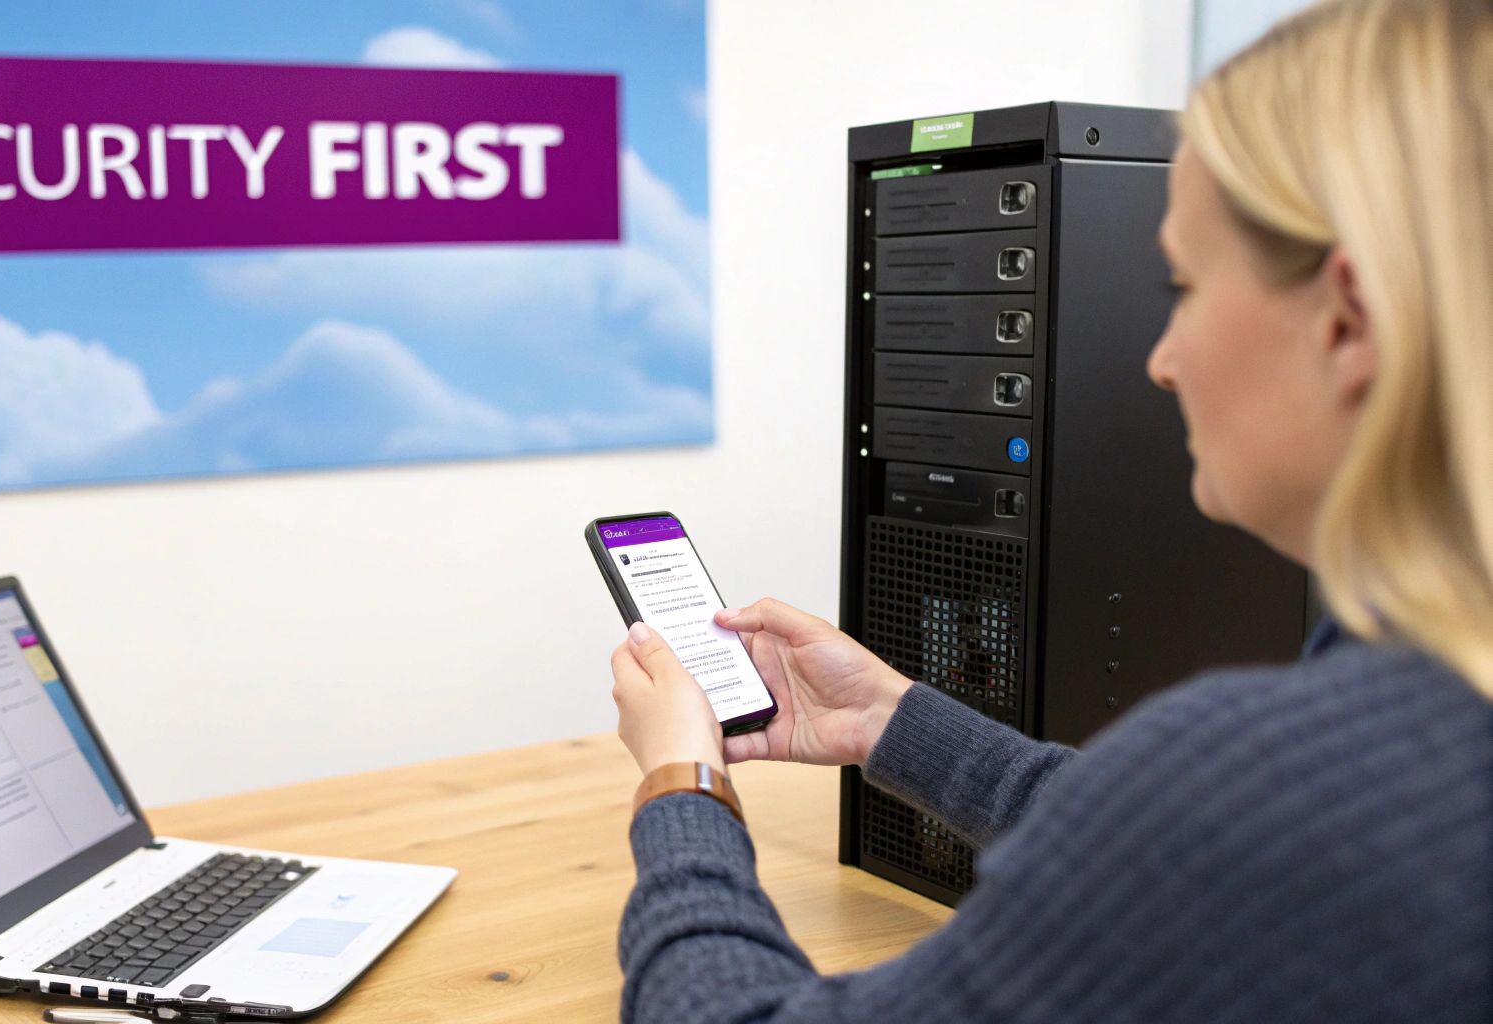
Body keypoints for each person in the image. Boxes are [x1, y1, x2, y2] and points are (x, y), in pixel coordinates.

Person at [605, 1, 1492, 1021]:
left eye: (1182, 285)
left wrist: (681, 783)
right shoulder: (1399, 714)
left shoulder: (1288, 768)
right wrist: (891, 721)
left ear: (1345, 321)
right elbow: (1185, 835)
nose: (1159, 360)